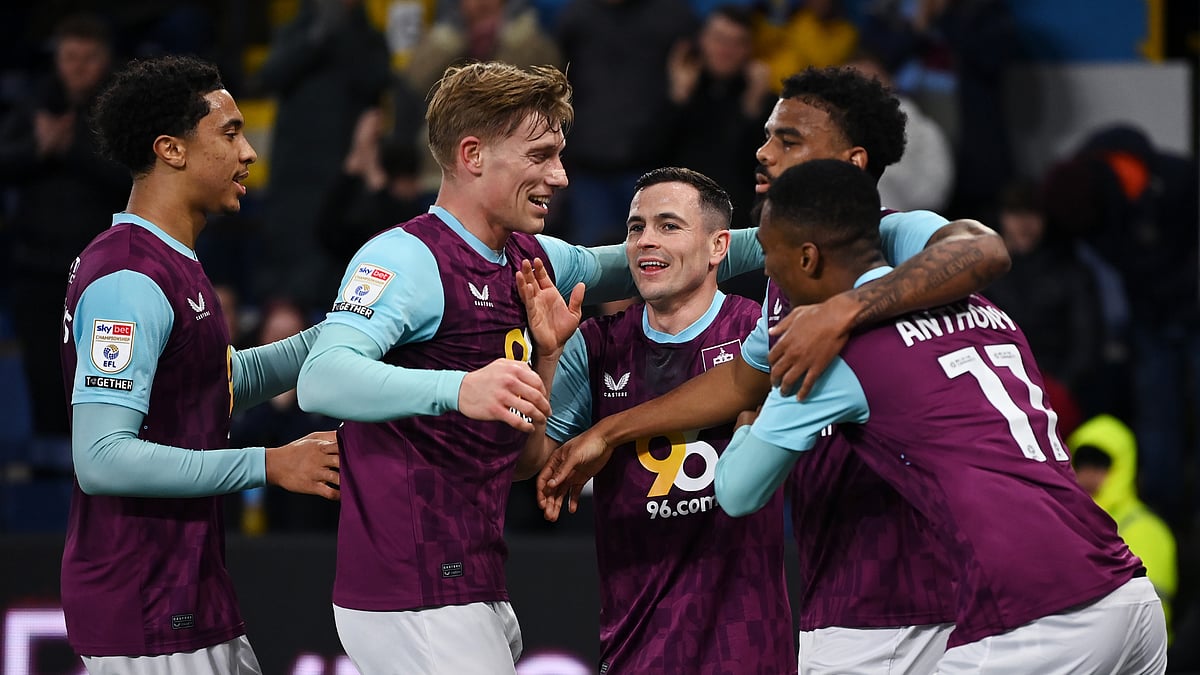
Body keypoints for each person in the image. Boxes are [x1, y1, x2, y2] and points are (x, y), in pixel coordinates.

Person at [294, 61, 765, 674]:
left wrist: (843, 237)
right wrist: (459, 388)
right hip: (412, 586)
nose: (560, 176)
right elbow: (321, 377)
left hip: (473, 573)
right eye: (540, 156)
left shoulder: (532, 258)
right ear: (473, 155)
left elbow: (652, 261)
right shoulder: (407, 258)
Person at [537, 65, 1008, 673]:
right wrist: (608, 429)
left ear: (852, 162)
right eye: (766, 136)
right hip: (839, 588)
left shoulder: (893, 236)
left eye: (788, 140)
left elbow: (984, 250)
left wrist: (843, 311)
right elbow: (738, 378)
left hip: (910, 591)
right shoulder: (789, 277)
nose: (763, 152)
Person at [717, 158, 1167, 673]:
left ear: (808, 257)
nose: (768, 274)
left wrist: (747, 423)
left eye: (771, 257)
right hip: (1128, 594)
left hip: (1040, 617)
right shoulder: (985, 308)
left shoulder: (830, 351)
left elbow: (738, 491)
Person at [59, 55, 342, 674]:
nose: (249, 152)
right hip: (145, 608)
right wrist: (269, 464)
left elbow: (215, 385)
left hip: (188, 594)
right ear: (172, 150)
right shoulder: (128, 278)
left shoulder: (170, 261)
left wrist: (346, 334)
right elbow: (101, 457)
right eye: (230, 132)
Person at [519, 167, 794, 673]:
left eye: (668, 225)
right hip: (634, 645)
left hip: (748, 647)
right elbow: (530, 464)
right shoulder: (596, 344)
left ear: (718, 247)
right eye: (636, 227)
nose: (646, 240)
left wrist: (607, 433)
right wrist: (549, 358)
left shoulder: (758, 331)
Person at [0, 13, 129, 455]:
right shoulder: (35, 102)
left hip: (99, 273)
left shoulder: (121, 110)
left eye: (87, 58)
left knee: (100, 376)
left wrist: (72, 148)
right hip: (36, 268)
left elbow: (133, 177)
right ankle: (46, 472)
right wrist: (38, 149)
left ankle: (101, 460)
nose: (77, 68)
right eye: (69, 57)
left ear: (105, 59)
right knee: (43, 376)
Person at [1069, 414, 1179, 634]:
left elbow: (1151, 613)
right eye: (1082, 463)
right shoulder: (1064, 520)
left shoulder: (1146, 528)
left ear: (1123, 465)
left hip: (1136, 650)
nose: (1089, 474)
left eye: (1101, 464)